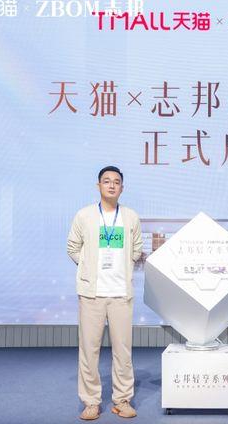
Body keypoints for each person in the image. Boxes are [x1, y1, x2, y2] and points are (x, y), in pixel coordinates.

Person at [67, 166, 143, 420]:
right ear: (98, 186)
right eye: (106, 181)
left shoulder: (130, 217)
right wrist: (88, 267)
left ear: (122, 188)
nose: (111, 185)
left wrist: (124, 266)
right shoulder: (84, 215)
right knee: (89, 351)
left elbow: (137, 249)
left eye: (116, 182)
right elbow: (72, 247)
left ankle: (122, 400)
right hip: (92, 294)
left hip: (121, 293)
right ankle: (91, 402)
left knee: (123, 351)